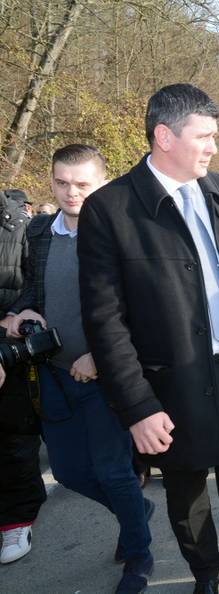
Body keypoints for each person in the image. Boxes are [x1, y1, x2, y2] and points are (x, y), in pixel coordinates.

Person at [77, 83, 219, 594]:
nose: (215, 146)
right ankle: (205, 574)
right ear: (165, 136)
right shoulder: (110, 210)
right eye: (206, 136)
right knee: (188, 501)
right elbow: (106, 322)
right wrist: (137, 407)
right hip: (171, 386)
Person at [5, 145, 154, 593]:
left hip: (105, 378)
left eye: (83, 184)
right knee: (70, 473)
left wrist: (102, 357)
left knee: (113, 471)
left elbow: (143, 310)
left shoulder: (123, 234)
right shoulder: (39, 231)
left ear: (102, 185)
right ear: (50, 182)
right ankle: (135, 512)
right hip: (51, 373)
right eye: (62, 183)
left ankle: (139, 554)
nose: (72, 193)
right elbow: (29, 292)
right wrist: (18, 317)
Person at [0, 188, 43, 566]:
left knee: (14, 441)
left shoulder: (21, 230)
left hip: (10, 358)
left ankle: (16, 520)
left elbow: (33, 291)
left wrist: (14, 318)